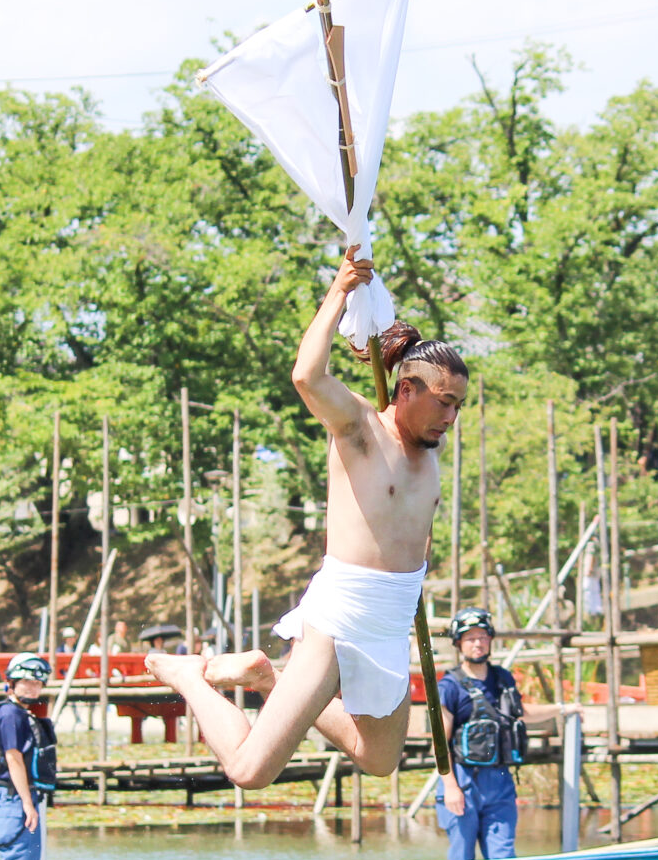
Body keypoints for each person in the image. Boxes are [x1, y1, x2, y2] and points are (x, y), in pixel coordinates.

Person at [146, 247, 465, 788]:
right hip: (341, 617)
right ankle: (189, 676)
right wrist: (340, 290)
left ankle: (267, 679)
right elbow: (307, 375)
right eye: (444, 402)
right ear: (407, 390)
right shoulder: (360, 428)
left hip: (391, 623)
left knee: (378, 759)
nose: (451, 417)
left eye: (459, 405)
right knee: (249, 771)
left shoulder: (430, 453)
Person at [434, 609, 525, 860]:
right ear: (458, 643)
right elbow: (439, 743)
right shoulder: (449, 686)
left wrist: (564, 709)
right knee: (462, 859)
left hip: (500, 782)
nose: (478, 643)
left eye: (483, 637)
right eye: (470, 638)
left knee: (503, 857)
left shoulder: (502, 678)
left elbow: (521, 712)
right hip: (463, 780)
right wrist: (450, 787)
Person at [0, 653, 59, 860]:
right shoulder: (11, 714)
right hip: (13, 797)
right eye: (27, 682)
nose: (32, 688)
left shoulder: (18, 713)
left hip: (17, 795)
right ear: (12, 682)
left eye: (37, 683)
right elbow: (13, 758)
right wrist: (27, 802)